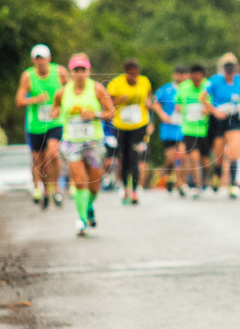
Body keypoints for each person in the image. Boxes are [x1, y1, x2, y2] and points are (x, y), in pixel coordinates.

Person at [51, 53, 116, 237]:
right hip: (72, 141)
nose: (79, 73)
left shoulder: (97, 90)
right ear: (70, 72)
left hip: (94, 141)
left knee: (95, 185)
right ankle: (81, 220)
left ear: (88, 71)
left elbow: (111, 112)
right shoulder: (62, 92)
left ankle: (88, 207)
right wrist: (55, 112)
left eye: (83, 70)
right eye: (76, 70)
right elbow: (55, 108)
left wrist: (95, 115)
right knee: (80, 182)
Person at [15, 44, 69, 208]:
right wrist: (35, 99)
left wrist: (60, 105)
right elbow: (19, 100)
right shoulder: (28, 76)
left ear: (49, 59)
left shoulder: (59, 72)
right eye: (37, 59)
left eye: (43, 59)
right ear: (33, 61)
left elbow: (71, 89)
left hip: (55, 121)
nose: (41, 62)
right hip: (35, 125)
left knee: (53, 153)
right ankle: (46, 191)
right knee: (40, 161)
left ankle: (56, 189)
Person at [107, 58, 153, 205]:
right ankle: (125, 187)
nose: (134, 77)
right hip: (121, 126)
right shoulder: (116, 84)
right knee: (124, 157)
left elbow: (149, 98)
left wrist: (149, 111)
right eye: (130, 74)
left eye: (136, 73)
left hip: (139, 125)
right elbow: (107, 103)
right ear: (125, 73)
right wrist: (120, 100)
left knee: (134, 156)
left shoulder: (144, 82)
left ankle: (134, 190)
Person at [206, 53, 240, 199]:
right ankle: (216, 173)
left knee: (234, 152)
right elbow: (203, 98)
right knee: (219, 155)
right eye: (227, 68)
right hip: (218, 121)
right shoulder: (215, 80)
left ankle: (233, 184)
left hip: (234, 119)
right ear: (223, 68)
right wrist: (214, 111)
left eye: (232, 68)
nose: (229, 72)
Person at [176, 63, 213, 199]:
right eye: (194, 78)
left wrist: (206, 109)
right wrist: (182, 109)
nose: (196, 81)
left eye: (199, 79)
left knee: (205, 160)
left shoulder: (208, 86)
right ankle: (197, 185)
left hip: (204, 129)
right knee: (194, 156)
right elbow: (177, 104)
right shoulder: (183, 87)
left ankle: (207, 176)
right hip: (189, 128)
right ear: (190, 77)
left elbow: (213, 107)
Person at [154, 65, 188, 194]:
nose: (181, 76)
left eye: (183, 74)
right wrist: (162, 115)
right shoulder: (167, 89)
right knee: (170, 158)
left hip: (184, 128)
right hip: (169, 129)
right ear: (175, 75)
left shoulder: (189, 89)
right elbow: (155, 102)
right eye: (179, 74)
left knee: (182, 156)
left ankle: (180, 183)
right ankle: (169, 175)